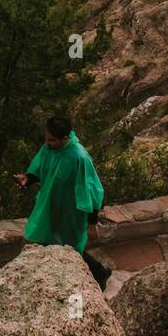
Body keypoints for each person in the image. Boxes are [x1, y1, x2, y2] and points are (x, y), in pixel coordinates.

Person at [14, 116, 111, 289]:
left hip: (71, 212)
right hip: (50, 205)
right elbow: (41, 169)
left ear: (65, 138)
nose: (47, 143)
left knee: (69, 248)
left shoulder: (79, 158)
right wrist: (27, 179)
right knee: (40, 237)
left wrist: (91, 222)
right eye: (46, 138)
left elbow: (92, 190)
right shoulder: (50, 147)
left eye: (51, 140)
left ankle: (98, 273)